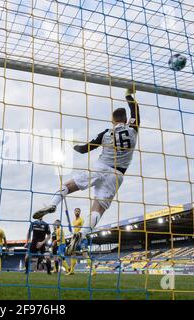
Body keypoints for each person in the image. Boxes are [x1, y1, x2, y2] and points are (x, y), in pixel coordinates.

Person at [33, 88, 140, 255]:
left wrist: (72, 144)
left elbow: (84, 149)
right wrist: (129, 95)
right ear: (126, 119)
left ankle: (52, 204)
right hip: (118, 175)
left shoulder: (106, 133)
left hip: (100, 168)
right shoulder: (133, 129)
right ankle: (82, 235)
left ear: (112, 120)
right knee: (97, 210)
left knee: (67, 186)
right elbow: (135, 109)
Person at [66, 208, 84, 275]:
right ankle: (72, 271)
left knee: (85, 254)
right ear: (74, 212)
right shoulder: (73, 221)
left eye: (78, 211)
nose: (77, 212)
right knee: (72, 254)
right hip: (75, 238)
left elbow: (83, 229)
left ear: (80, 212)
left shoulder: (81, 220)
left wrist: (78, 234)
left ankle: (93, 270)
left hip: (80, 238)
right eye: (76, 211)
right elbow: (74, 230)